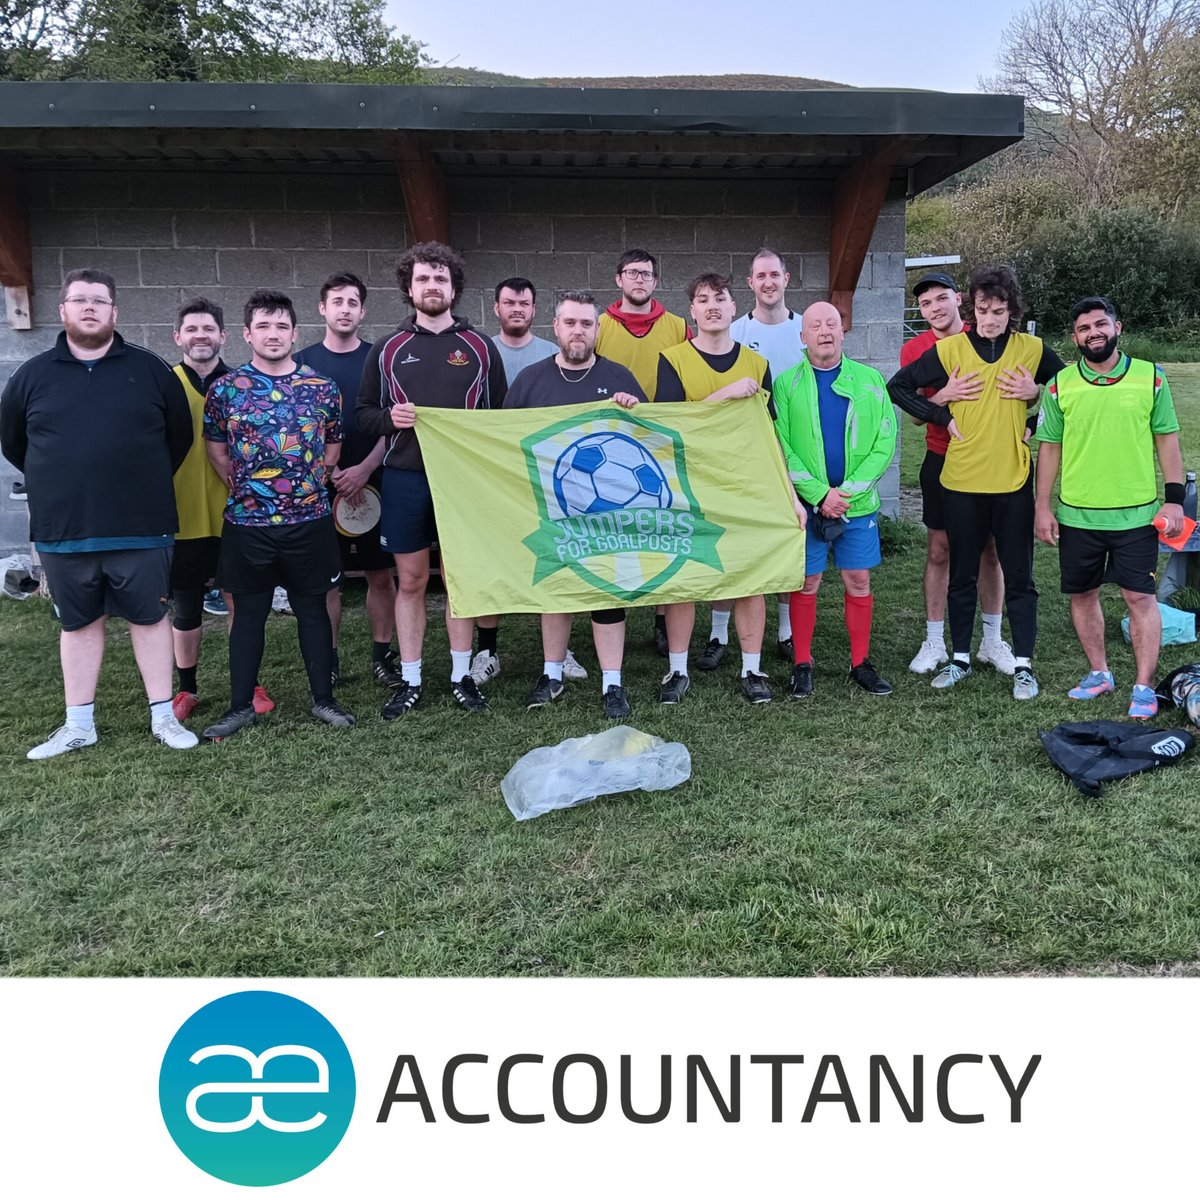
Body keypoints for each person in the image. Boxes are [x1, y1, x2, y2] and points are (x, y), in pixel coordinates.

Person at [0, 268, 197, 758]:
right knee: (78, 625)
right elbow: (15, 444)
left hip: (142, 525)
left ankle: (162, 717)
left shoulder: (152, 371)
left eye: (100, 301)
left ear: (115, 312)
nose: (90, 307)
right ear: (63, 311)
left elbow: (179, 439)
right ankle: (78, 725)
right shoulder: (32, 376)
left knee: (150, 620)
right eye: (79, 300)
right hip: (65, 528)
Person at [887, 265, 1064, 701]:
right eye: (982, 310)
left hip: (1011, 480)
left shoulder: (1031, 348)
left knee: (1018, 575)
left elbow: (1071, 390)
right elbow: (898, 387)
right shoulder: (950, 350)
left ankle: (1022, 664)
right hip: (960, 480)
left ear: (1012, 311)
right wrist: (941, 414)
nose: (989, 319)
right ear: (972, 307)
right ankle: (960, 658)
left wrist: (1035, 407)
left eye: (999, 311)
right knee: (961, 572)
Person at [356, 241, 507, 718]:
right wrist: (389, 420)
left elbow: (500, 419)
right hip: (405, 479)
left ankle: (462, 676)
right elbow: (362, 415)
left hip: (465, 484)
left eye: (440, 278)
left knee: (461, 580)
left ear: (454, 287)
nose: (432, 286)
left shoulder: (480, 347)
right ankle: (412, 678)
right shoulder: (387, 349)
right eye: (423, 278)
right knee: (412, 580)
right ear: (409, 286)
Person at [201, 289, 354, 739]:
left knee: (313, 612)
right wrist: (248, 486)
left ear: (294, 333)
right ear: (247, 334)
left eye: (281, 326)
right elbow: (215, 447)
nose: (273, 334)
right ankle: (239, 705)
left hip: (308, 522)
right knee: (248, 615)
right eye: (263, 326)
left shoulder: (321, 388)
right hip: (248, 525)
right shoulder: (226, 389)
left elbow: (332, 445)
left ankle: (323, 700)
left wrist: (308, 484)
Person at [1035, 295, 1186, 719]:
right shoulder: (1059, 385)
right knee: (1082, 595)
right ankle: (1099, 673)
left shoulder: (1150, 377)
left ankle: (1143, 686)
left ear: (1117, 328)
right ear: (1074, 338)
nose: (1093, 333)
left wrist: (1174, 500)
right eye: (1084, 328)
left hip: (1136, 515)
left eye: (1100, 324)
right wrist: (1041, 507)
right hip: (1077, 514)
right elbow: (1049, 448)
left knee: (1140, 598)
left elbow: (1167, 440)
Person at [505, 290, 647, 718]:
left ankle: (612, 683)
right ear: (556, 327)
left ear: (597, 329)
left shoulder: (620, 378)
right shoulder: (530, 381)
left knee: (608, 595)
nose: (578, 331)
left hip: (609, 516)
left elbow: (651, 442)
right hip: (551, 510)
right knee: (556, 592)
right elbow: (503, 441)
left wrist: (635, 411)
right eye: (570, 323)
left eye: (587, 323)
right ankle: (551, 674)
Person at [655, 271, 777, 704]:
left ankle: (752, 668)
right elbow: (668, 429)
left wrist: (785, 495)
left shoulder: (758, 365)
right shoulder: (672, 359)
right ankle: (676, 670)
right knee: (684, 579)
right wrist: (723, 395)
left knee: (749, 576)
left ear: (732, 306)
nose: (711, 305)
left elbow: (770, 436)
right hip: (690, 485)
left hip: (744, 485)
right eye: (702, 298)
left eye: (719, 298)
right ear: (692, 311)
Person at [775, 301, 896, 699]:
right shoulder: (786, 384)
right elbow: (782, 447)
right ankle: (802, 664)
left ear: (843, 332)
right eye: (816, 325)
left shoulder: (870, 380)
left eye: (832, 323)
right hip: (807, 507)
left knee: (858, 581)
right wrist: (818, 494)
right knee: (807, 583)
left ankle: (860, 663)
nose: (825, 331)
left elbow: (885, 440)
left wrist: (846, 493)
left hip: (854, 505)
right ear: (802, 336)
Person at [473, 277, 586, 688]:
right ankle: (487, 650)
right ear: (497, 307)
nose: (516, 309)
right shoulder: (483, 351)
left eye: (524, 303)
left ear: (537, 312)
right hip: (506, 474)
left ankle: (560, 651)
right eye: (508, 302)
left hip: (560, 482)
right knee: (493, 561)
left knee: (556, 561)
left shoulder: (552, 354)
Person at [901, 272, 1014, 677]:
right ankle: (934, 641)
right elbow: (913, 415)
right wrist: (944, 397)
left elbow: (1031, 385)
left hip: (990, 460)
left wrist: (1033, 396)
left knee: (990, 550)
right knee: (940, 550)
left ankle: (992, 640)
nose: (934, 307)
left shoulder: (985, 334)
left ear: (958, 301)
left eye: (941, 298)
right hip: (941, 458)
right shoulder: (915, 349)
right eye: (926, 303)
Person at [169, 298, 276, 725]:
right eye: (191, 329)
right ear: (177, 337)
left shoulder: (241, 384)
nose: (200, 336)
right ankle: (187, 688)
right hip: (181, 514)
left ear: (224, 336)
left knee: (241, 602)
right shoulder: (164, 384)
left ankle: (248, 685)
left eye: (208, 329)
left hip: (237, 514)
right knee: (186, 605)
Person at [295, 272, 402, 691]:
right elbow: (298, 428)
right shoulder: (303, 362)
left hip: (375, 480)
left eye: (352, 302)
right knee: (327, 581)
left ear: (363, 310)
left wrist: (363, 469)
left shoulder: (380, 357)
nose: (344, 309)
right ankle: (330, 658)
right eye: (336, 301)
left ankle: (383, 656)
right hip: (322, 488)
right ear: (322, 308)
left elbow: (393, 421)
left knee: (380, 574)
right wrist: (330, 471)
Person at [597, 248, 692, 656]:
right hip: (609, 448)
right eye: (632, 273)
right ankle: (610, 615)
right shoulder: (599, 325)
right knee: (611, 534)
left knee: (662, 534)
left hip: (661, 445)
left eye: (647, 274)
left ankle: (661, 621)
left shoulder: (677, 325)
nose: (640, 279)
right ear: (618, 279)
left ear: (656, 281)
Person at [729, 247, 807, 664]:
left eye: (774, 274)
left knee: (789, 540)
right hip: (748, 454)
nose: (768, 282)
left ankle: (786, 630)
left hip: (796, 448)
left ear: (786, 278)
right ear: (751, 283)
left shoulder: (804, 330)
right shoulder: (737, 330)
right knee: (741, 542)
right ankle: (720, 635)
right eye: (760, 276)